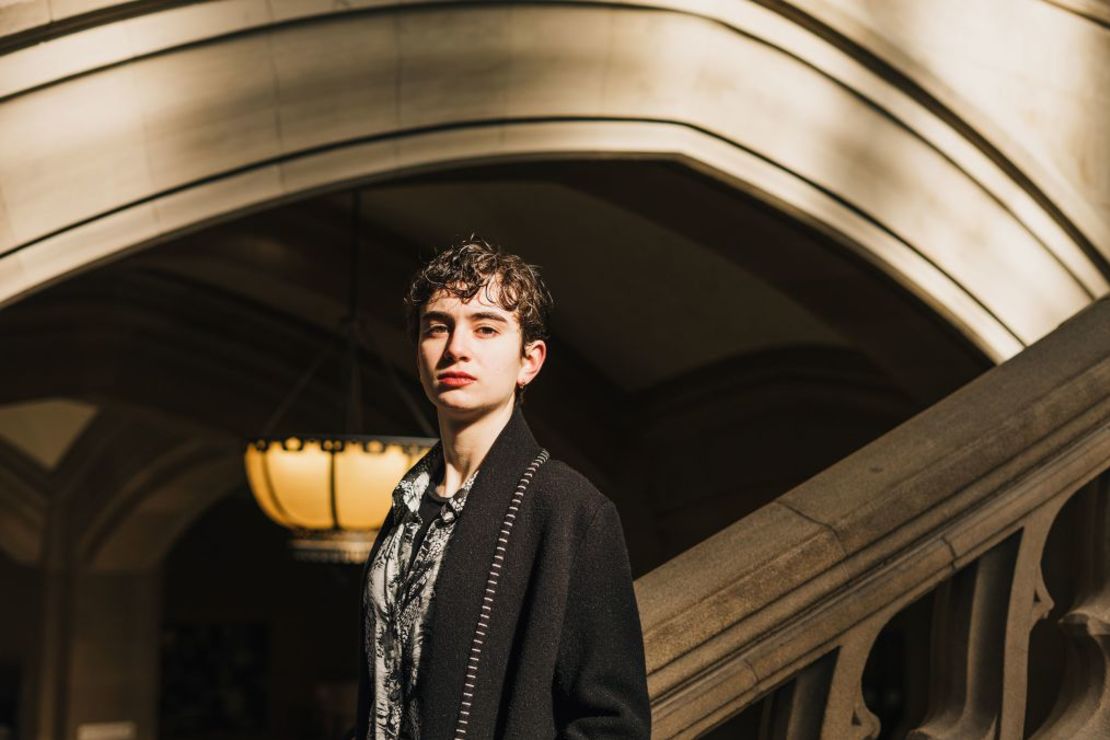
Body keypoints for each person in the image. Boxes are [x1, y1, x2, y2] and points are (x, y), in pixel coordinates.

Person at [355, 239, 651, 739]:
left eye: (486, 328)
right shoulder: (407, 507)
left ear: (529, 361)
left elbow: (614, 725)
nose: (456, 348)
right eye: (438, 328)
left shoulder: (568, 509)